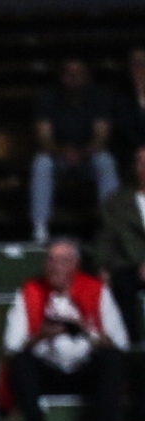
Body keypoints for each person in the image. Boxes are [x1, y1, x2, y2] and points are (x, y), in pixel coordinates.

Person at [2, 237, 129, 421]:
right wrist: (42, 334)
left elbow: (120, 343)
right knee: (21, 362)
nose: (53, 267)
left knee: (112, 360)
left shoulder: (96, 290)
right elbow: (12, 345)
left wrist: (85, 329)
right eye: (50, 260)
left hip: (84, 369)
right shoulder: (29, 291)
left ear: (74, 265)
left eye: (60, 261)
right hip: (47, 370)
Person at [30, 58, 117, 244]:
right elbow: (43, 137)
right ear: (62, 77)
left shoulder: (98, 97)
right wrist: (63, 152)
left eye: (79, 74)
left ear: (87, 76)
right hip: (58, 157)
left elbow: (102, 136)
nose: (75, 79)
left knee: (106, 161)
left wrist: (82, 153)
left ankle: (112, 226)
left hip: (88, 157)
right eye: (70, 74)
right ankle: (40, 226)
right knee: (41, 163)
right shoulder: (48, 97)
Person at [91, 143, 145, 346]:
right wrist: (102, 267)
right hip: (130, 266)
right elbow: (106, 238)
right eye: (141, 163)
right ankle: (133, 347)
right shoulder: (117, 202)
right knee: (120, 283)